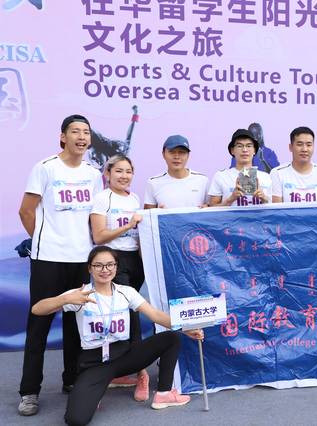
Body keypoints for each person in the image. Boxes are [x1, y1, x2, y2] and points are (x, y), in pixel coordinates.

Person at [31, 246, 204, 425]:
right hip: (95, 363)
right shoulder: (80, 294)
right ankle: (98, 389)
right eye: (98, 265)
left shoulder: (126, 292)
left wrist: (185, 328)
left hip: (125, 356)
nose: (105, 270)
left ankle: (164, 394)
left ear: (116, 267)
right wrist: (65, 299)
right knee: (75, 419)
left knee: (171, 338)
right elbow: (37, 309)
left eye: (110, 264)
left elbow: (155, 315)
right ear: (90, 268)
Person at [18, 114, 103, 416]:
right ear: (63, 136)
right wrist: (45, 242)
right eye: (75, 131)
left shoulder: (93, 174)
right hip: (49, 259)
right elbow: (26, 211)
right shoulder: (45, 168)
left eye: (86, 132)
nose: (81, 137)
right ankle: (29, 391)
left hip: (81, 259)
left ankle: (72, 380)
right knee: (39, 325)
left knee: (76, 325)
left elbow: (94, 216)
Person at [90, 155, 149, 399]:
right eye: (119, 171)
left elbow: (139, 232)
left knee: (124, 315)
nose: (124, 176)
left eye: (128, 171)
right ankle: (142, 374)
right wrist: (128, 225)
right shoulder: (102, 198)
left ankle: (120, 370)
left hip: (136, 260)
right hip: (114, 261)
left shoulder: (134, 198)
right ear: (108, 174)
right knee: (132, 314)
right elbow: (99, 236)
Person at [270, 126, 317, 203]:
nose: (304, 149)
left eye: (309, 145)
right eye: (299, 144)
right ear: (290, 147)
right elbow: (277, 209)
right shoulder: (277, 173)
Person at [209, 129, 272, 206]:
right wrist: (231, 199)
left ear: (254, 150)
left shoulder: (266, 177)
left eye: (249, 146)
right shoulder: (221, 176)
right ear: (232, 150)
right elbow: (212, 208)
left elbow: (276, 207)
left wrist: (264, 198)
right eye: (239, 146)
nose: (244, 150)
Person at [143, 135, 208, 209]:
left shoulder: (203, 180)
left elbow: (211, 209)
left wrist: (208, 207)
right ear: (163, 154)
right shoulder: (153, 183)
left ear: (188, 155)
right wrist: (158, 212)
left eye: (182, 152)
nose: (177, 157)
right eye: (172, 152)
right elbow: (148, 214)